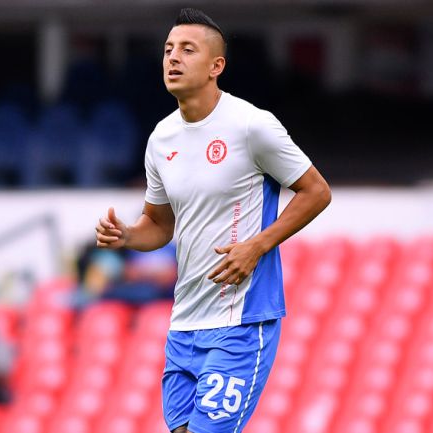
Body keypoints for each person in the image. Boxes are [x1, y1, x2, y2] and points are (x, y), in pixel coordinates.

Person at [95, 8, 331, 433]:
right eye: (168, 50)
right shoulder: (161, 138)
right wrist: (128, 235)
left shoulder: (251, 126)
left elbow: (316, 192)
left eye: (187, 50)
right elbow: (159, 224)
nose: (173, 58)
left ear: (216, 66)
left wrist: (257, 245)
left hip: (241, 321)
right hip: (185, 323)